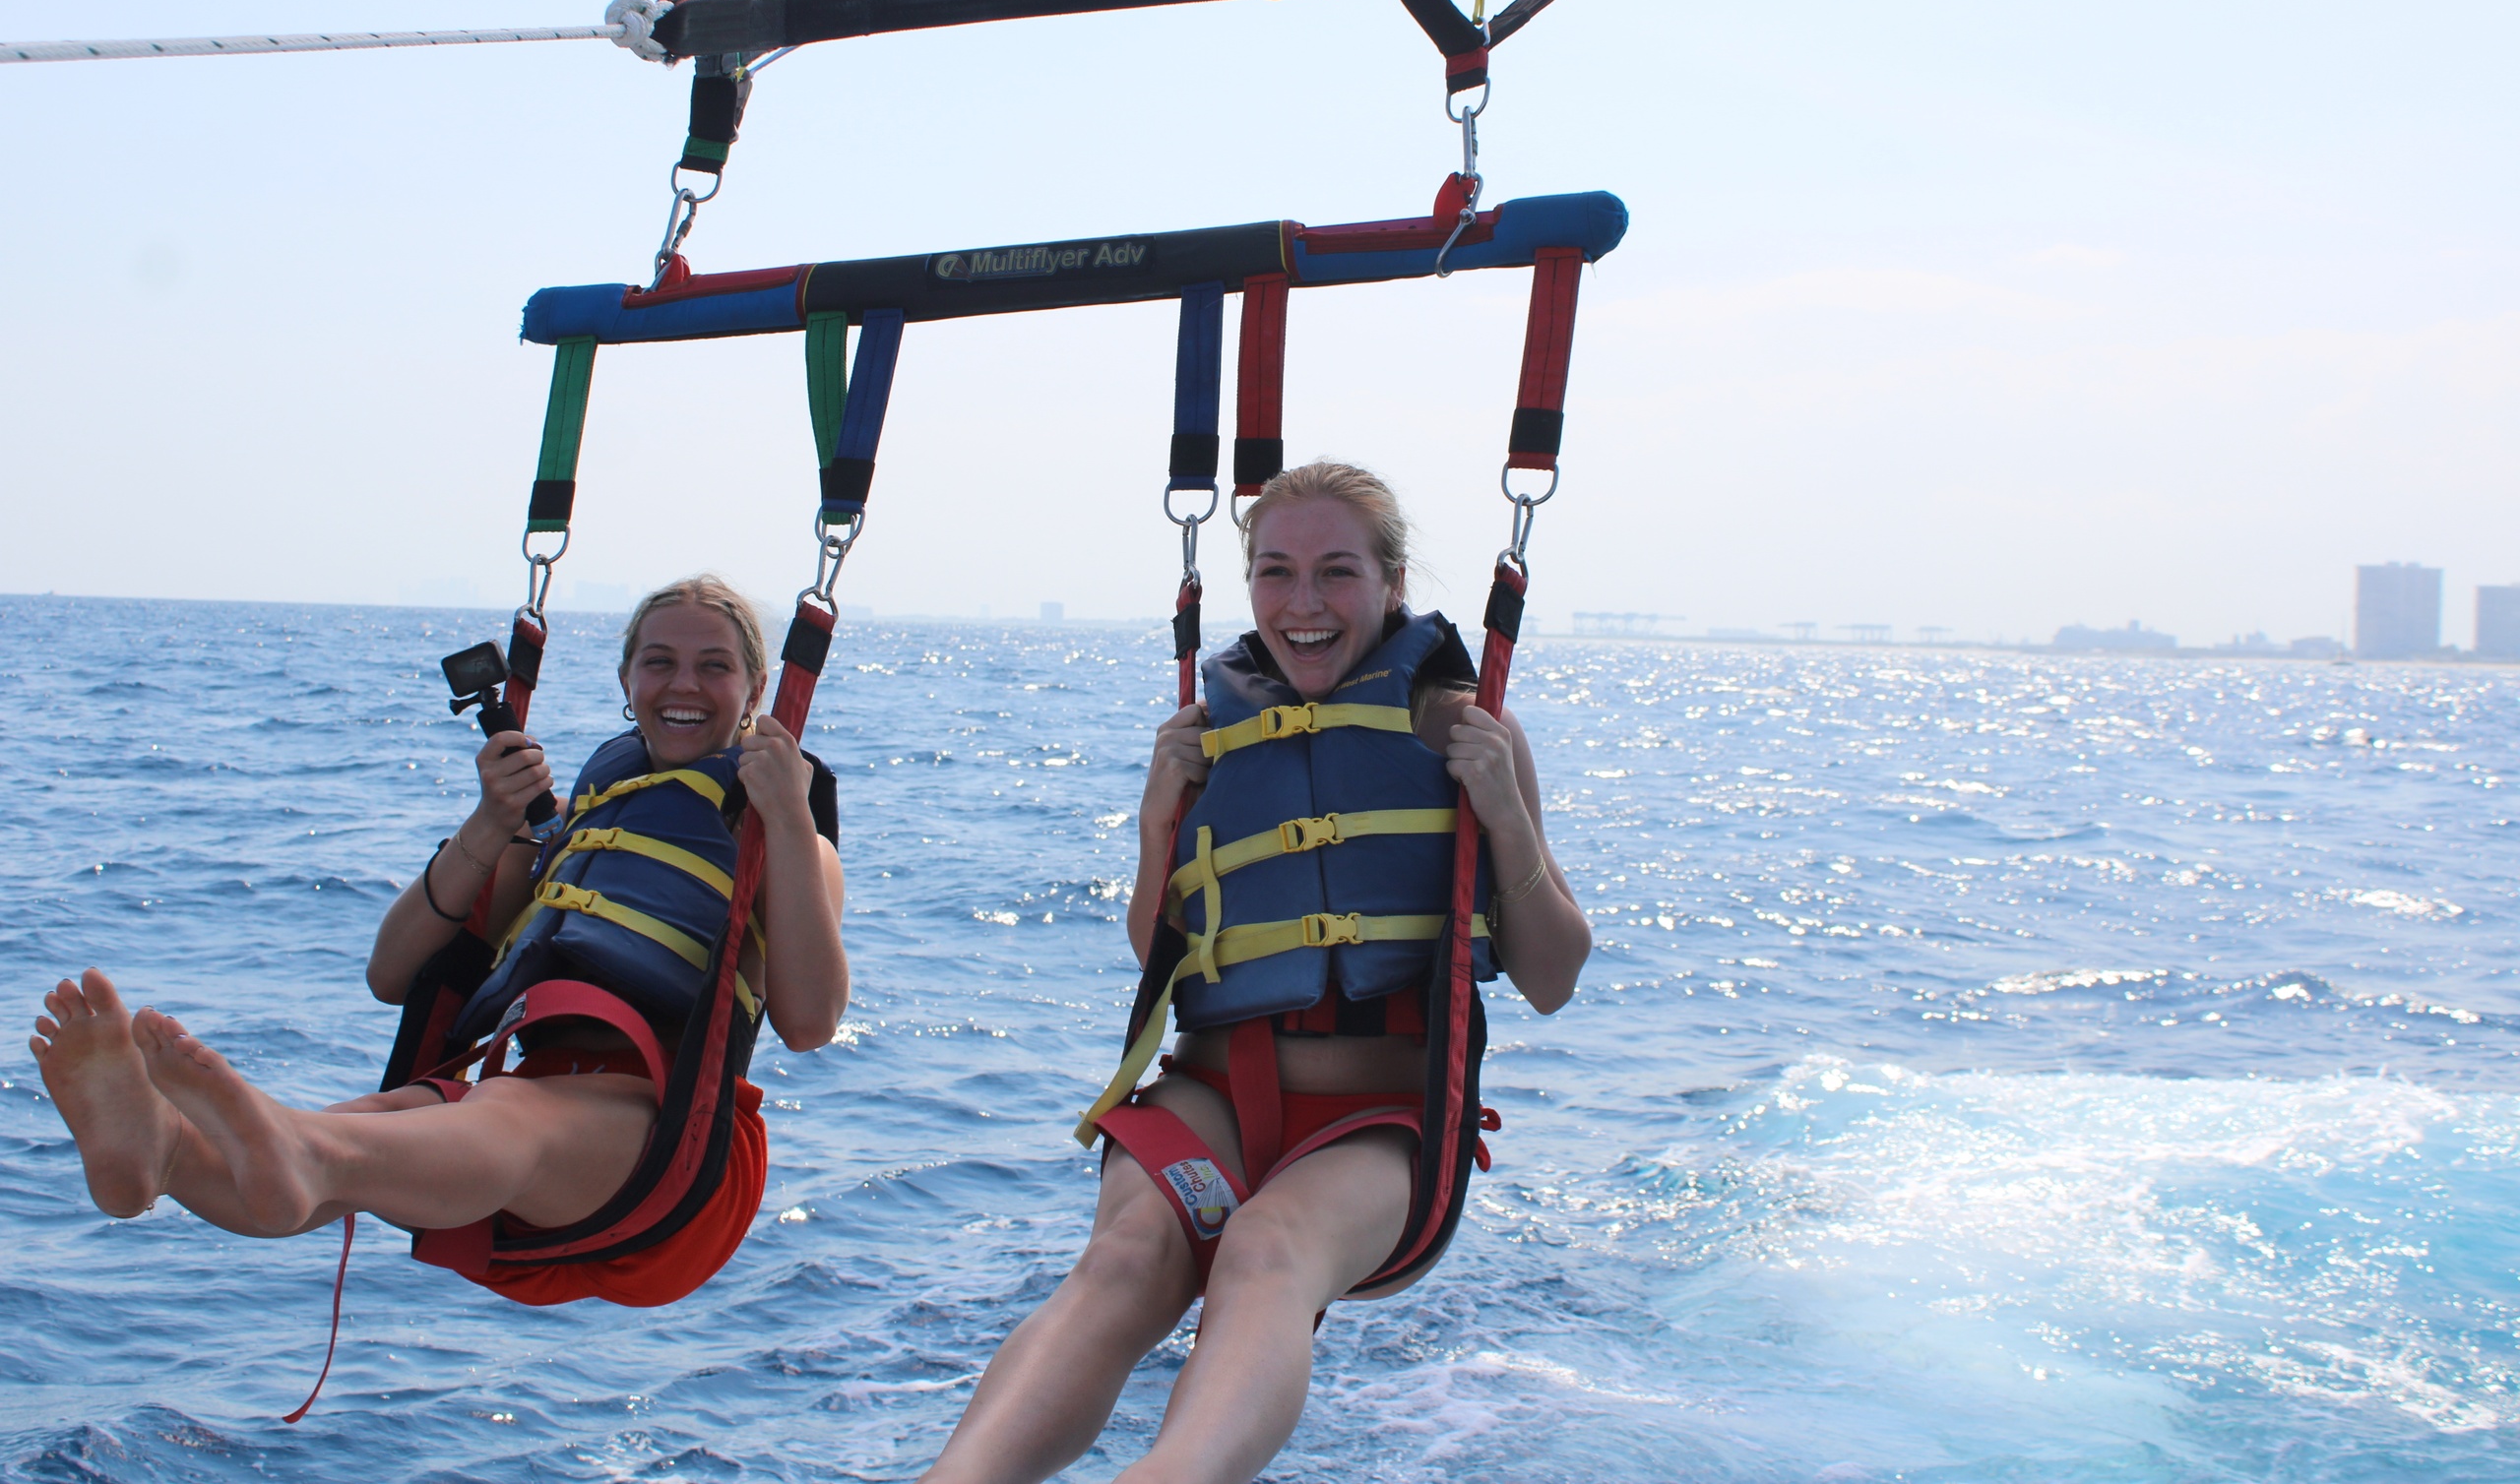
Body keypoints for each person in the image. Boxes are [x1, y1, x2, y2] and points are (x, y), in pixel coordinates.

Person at [924, 463, 1591, 1484]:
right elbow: (1163, 949)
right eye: (1275, 573)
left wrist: (1503, 813)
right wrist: (1157, 824)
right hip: (1213, 1095)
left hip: (1380, 1121)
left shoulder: (1465, 729)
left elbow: (1552, 975)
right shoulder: (1209, 736)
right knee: (1124, 1261)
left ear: (1392, 582)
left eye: (1337, 572)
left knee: (1266, 1249)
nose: (1304, 604)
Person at [28, 575, 847, 1309]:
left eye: (714, 666)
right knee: (379, 1124)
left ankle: (289, 1155)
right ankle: (159, 1155)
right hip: (529, 1084)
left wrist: (789, 815)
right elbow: (393, 972)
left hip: (669, 1143)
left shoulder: (781, 835)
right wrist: (492, 823)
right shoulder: (572, 823)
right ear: (627, 679)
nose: (684, 684)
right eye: (659, 661)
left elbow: (808, 1023)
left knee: (480, 1121)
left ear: (756, 691)